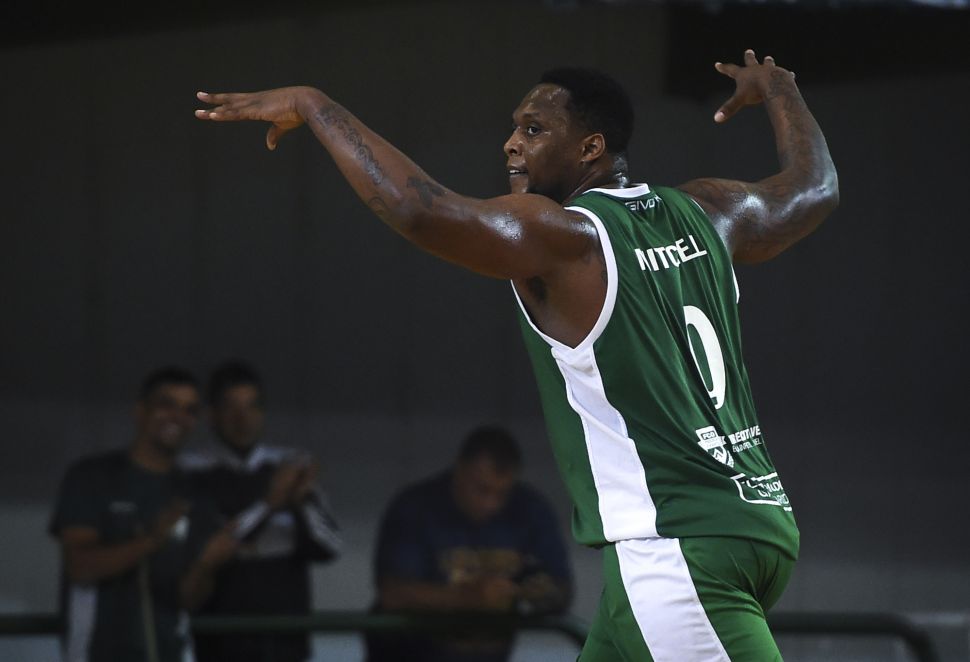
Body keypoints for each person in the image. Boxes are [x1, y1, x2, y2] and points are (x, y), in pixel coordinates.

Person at [195, 48, 839, 661]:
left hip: (678, 549)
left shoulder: (565, 238)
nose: (510, 143)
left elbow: (419, 210)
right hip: (757, 525)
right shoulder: (709, 211)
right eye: (514, 128)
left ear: (590, 148)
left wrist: (314, 106)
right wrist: (781, 91)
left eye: (533, 129)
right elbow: (813, 188)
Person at [49, 367, 238, 662]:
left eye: (189, 410)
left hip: (170, 654)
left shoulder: (194, 493)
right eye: (167, 404)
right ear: (140, 410)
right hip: (96, 654)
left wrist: (206, 564)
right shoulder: (92, 476)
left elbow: (188, 599)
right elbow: (80, 567)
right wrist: (151, 541)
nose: (178, 417)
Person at [179, 360, 342, 662]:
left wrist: (301, 502)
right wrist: (268, 504)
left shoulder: (290, 464)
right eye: (231, 408)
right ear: (211, 415)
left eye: (252, 407)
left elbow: (330, 547)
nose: (243, 419)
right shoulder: (192, 473)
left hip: (287, 646)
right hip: (221, 646)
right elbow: (215, 547)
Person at [367, 426, 572, 662]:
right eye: (482, 489)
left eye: (501, 494)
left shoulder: (530, 510)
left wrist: (536, 592)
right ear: (459, 469)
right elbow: (394, 594)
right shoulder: (415, 509)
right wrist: (469, 597)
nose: (490, 504)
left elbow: (561, 589)